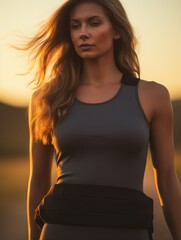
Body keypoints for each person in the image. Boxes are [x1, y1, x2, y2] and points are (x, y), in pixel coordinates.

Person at [24, 0, 181, 239]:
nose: (83, 33)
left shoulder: (153, 96)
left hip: (130, 231)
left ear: (117, 30)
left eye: (94, 23)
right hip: (60, 230)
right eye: (75, 26)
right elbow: (38, 180)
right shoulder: (47, 98)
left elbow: (168, 182)